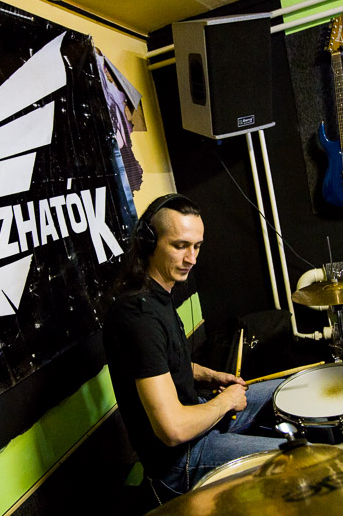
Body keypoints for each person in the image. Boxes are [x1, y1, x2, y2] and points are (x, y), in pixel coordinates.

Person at [103, 193, 283, 503]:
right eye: (180, 246)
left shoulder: (157, 295)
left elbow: (162, 365)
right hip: (178, 463)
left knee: (283, 392)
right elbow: (172, 429)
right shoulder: (140, 317)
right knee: (295, 459)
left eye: (197, 246)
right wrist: (224, 401)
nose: (192, 259)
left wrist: (209, 375)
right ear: (148, 243)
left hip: (196, 421)